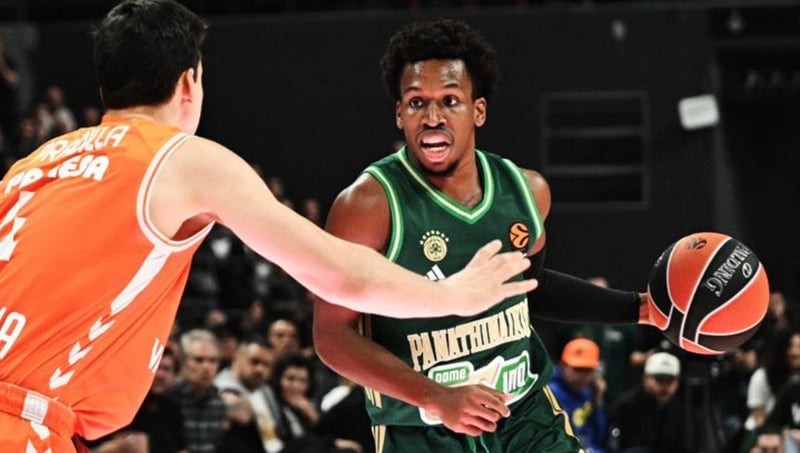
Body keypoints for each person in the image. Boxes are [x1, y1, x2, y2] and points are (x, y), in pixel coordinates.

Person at [0, 1, 537, 451]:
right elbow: (338, 276)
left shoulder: (32, 166)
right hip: (21, 424)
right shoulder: (181, 158)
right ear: (190, 82)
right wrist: (454, 295)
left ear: (105, 88)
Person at [313, 17, 654, 452]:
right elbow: (332, 336)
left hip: (524, 417)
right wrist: (435, 397)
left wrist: (638, 308)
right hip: (423, 428)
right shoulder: (368, 205)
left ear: (478, 110)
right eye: (416, 103)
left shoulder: (527, 191)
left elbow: (530, 287)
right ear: (399, 114)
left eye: (450, 101)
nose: (432, 117)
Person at [607, 351, 692, 452]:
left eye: (670, 381)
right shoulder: (626, 406)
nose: (665, 386)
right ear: (645, 379)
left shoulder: (679, 409)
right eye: (659, 380)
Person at [548, 338, 607, 453]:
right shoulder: (551, 392)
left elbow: (600, 437)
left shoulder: (589, 391)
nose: (583, 376)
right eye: (578, 370)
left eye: (588, 370)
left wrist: (597, 401)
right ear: (563, 365)